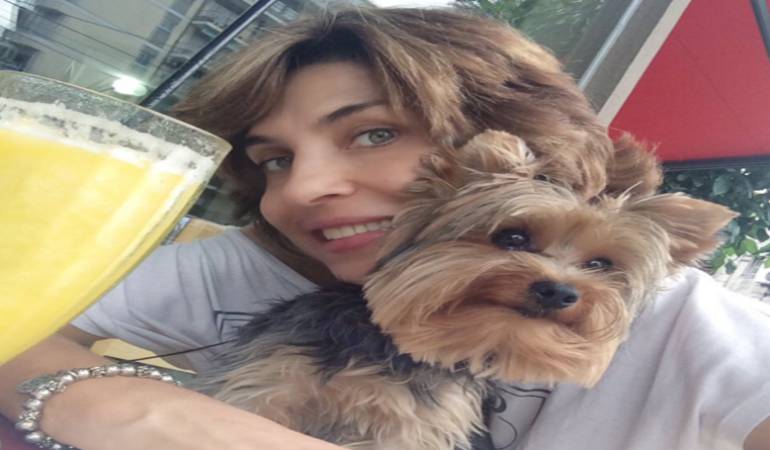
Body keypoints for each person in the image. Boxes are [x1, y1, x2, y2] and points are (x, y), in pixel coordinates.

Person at [1, 7, 769, 450]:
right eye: (273, 161)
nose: (304, 188)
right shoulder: (250, 267)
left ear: (501, 147)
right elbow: (12, 328)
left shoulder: (674, 317)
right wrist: (138, 408)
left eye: (374, 133)